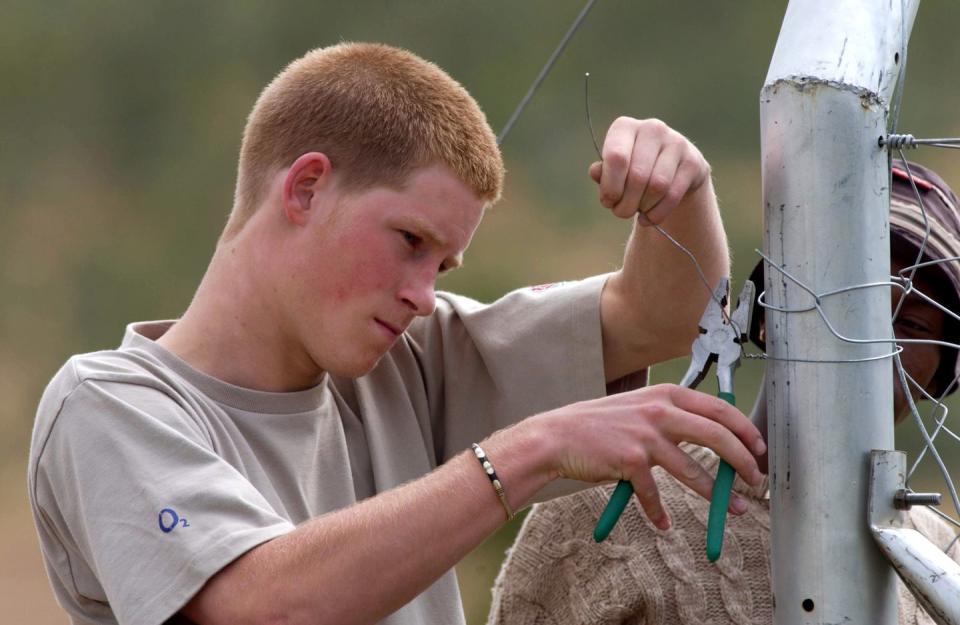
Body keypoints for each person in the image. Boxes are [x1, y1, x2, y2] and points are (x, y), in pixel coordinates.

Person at [27, 42, 767, 625]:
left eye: (443, 264)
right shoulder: (109, 404)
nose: (423, 295)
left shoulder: (405, 356)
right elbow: (267, 606)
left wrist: (680, 196)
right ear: (305, 187)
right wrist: (532, 447)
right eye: (410, 240)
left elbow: (661, 318)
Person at [488, 161, 960, 625]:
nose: (873, 340)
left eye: (913, 324)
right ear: (765, 316)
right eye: (846, 301)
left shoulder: (943, 560)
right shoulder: (602, 506)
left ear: (940, 377)